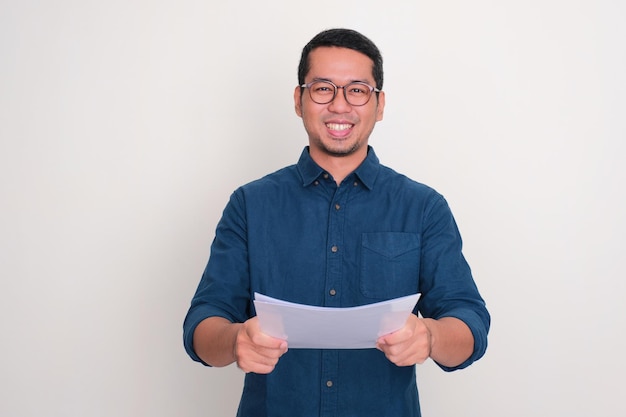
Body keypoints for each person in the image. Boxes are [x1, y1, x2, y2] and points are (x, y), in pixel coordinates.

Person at [183, 28, 490, 417]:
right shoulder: (250, 204)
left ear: (379, 104)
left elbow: (470, 321)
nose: (340, 105)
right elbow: (201, 324)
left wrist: (429, 336)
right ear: (299, 100)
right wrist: (234, 339)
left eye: (357, 90)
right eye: (323, 88)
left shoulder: (423, 207)